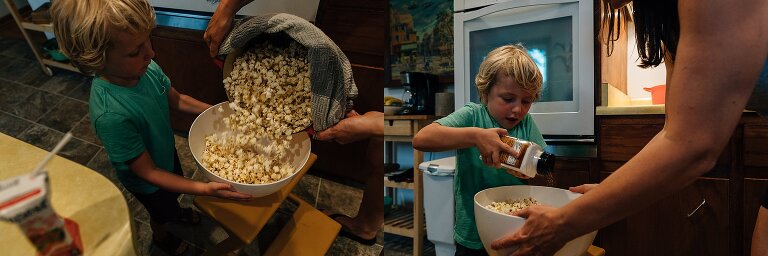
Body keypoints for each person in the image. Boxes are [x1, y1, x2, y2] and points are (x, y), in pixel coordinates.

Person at [489, 0, 768, 255]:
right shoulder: (669, 17)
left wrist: (564, 222)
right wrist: (605, 190)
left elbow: (694, 144)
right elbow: (674, 132)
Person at [50, 0, 253, 255]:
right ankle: (162, 237)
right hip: (148, 180)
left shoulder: (146, 69)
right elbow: (148, 172)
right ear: (96, 59)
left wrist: (222, 111)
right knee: (161, 211)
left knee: (172, 199)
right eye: (136, 51)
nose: (151, 53)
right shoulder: (111, 114)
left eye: (148, 40)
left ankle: (176, 212)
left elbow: (177, 99)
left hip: (164, 154)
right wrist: (203, 188)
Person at [412, 44, 548, 255]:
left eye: (527, 101)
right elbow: (421, 139)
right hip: (472, 233)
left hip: (514, 229)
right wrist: (475, 136)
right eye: (508, 99)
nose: (518, 109)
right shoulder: (473, 116)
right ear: (485, 93)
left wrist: (529, 173)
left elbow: (544, 174)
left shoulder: (526, 124)